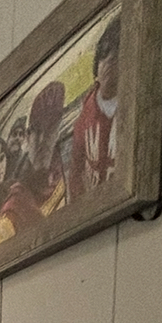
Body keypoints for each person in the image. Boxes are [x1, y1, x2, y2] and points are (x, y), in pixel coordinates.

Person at [0, 82, 67, 245]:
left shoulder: (64, 179)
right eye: (37, 131)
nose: (43, 140)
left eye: (50, 130)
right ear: (29, 136)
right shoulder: (15, 199)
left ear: (57, 133)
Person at [68, 16, 119, 198]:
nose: (111, 61)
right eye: (105, 54)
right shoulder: (85, 117)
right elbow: (75, 173)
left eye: (118, 54)